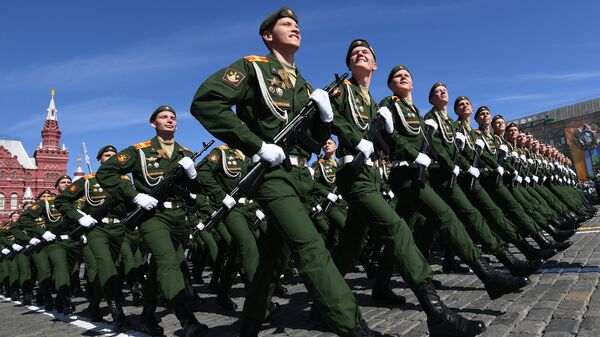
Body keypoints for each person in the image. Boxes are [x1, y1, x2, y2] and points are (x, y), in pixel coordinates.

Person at [191, 8, 371, 337]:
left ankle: (249, 323)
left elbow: (317, 142)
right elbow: (206, 102)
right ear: (268, 35)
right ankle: (352, 325)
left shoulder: (305, 85)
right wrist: (255, 144)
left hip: (302, 177)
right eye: (286, 24)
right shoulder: (253, 68)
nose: (295, 28)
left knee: (274, 256)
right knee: (311, 246)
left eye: (297, 24)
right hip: (273, 176)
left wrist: (326, 118)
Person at [96, 105, 208, 337]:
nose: (169, 120)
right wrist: (134, 195)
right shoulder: (140, 151)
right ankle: (187, 321)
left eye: (173, 118)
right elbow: (106, 172)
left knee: (161, 270)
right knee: (168, 263)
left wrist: (193, 176)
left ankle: (147, 316)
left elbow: (197, 190)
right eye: (163, 117)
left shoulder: (185, 153)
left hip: (178, 218)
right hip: (152, 217)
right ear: (153, 123)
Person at [54, 145, 131, 331]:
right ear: (99, 160)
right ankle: (115, 308)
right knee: (105, 264)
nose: (111, 157)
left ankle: (94, 304)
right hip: (97, 229)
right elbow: (61, 201)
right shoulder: (88, 181)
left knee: (109, 270)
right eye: (107, 155)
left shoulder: (125, 180)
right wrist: (81, 217)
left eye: (115, 155)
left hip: (118, 229)